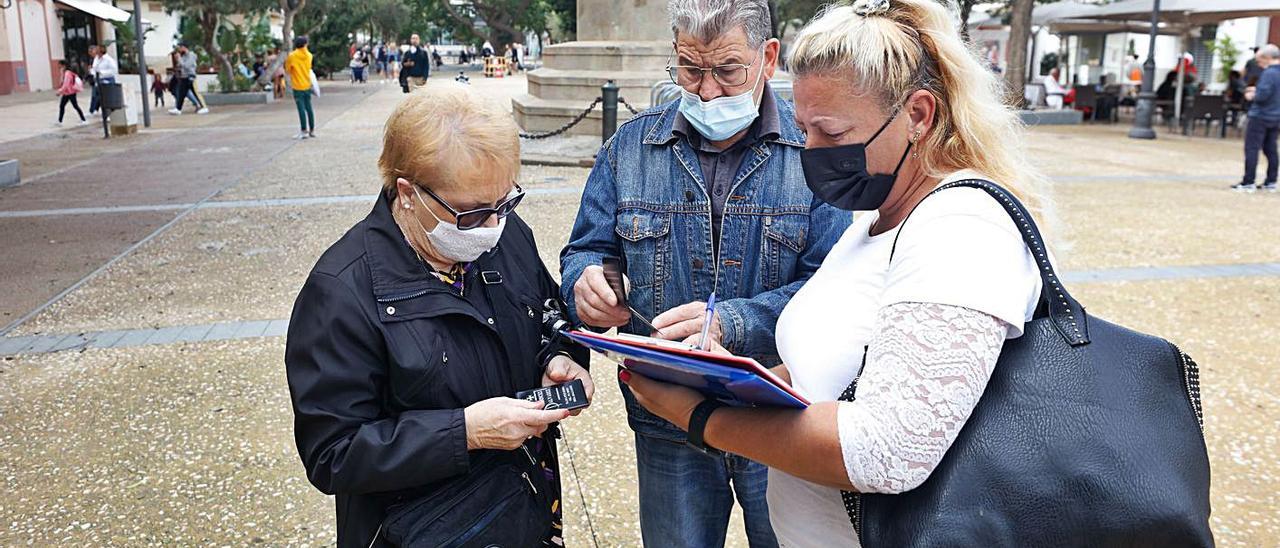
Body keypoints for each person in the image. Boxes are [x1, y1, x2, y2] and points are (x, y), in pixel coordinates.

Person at [622, 1, 1053, 545]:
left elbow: (888, 451)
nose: (810, 151)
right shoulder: (880, 215)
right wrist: (738, 381)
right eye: (803, 129)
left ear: (918, 115)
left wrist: (702, 416)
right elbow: (839, 375)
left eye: (830, 131)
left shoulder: (962, 228)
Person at [559, 0, 849, 545]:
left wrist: (731, 323)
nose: (706, 91)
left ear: (768, 57)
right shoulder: (629, 147)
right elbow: (584, 252)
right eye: (690, 69)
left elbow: (834, 290)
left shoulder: (814, 150)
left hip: (782, 409)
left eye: (726, 70)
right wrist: (591, 283)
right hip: (667, 414)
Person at [286, 83, 593, 548]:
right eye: (470, 214)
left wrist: (561, 356)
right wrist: (464, 432)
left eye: (504, 203)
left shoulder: (505, 236)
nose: (492, 227)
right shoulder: (341, 291)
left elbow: (549, 313)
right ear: (407, 192)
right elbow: (333, 453)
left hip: (523, 507)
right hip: (421, 528)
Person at [1233, 44, 1280, 192]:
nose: (1259, 64)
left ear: (1267, 58)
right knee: (1271, 149)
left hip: (1260, 116)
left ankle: (1248, 181)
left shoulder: (1268, 73)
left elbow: (1262, 96)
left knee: (1252, 148)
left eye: (1259, 61)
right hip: (1276, 116)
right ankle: (1271, 181)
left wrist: (1252, 95)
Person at [285, 35, 316, 140]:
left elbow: (288, 70)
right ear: (305, 44)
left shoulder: (292, 56)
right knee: (309, 108)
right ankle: (312, 130)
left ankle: (304, 131)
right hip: (307, 84)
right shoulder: (309, 55)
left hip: (297, 86)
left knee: (301, 109)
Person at [169, 43, 209, 115]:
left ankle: (204, 107)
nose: (179, 50)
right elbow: (180, 66)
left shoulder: (191, 55)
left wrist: (179, 59)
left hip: (190, 77)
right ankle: (178, 109)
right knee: (181, 94)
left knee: (196, 93)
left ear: (184, 47)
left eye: (180, 48)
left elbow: (187, 66)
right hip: (183, 77)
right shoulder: (183, 56)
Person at [54, 60, 87, 126]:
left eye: (59, 64)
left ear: (63, 65)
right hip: (68, 92)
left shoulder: (67, 73)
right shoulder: (64, 72)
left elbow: (66, 84)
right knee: (63, 106)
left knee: (74, 106)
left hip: (70, 92)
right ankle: (60, 121)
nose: (58, 66)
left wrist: (59, 91)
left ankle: (83, 119)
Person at [88, 44, 117, 114]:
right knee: (95, 96)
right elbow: (95, 68)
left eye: (97, 50)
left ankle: (108, 113)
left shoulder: (108, 60)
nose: (95, 51)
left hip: (107, 79)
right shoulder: (96, 59)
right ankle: (93, 110)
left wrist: (102, 72)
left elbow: (113, 70)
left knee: (106, 98)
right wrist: (92, 71)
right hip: (98, 79)